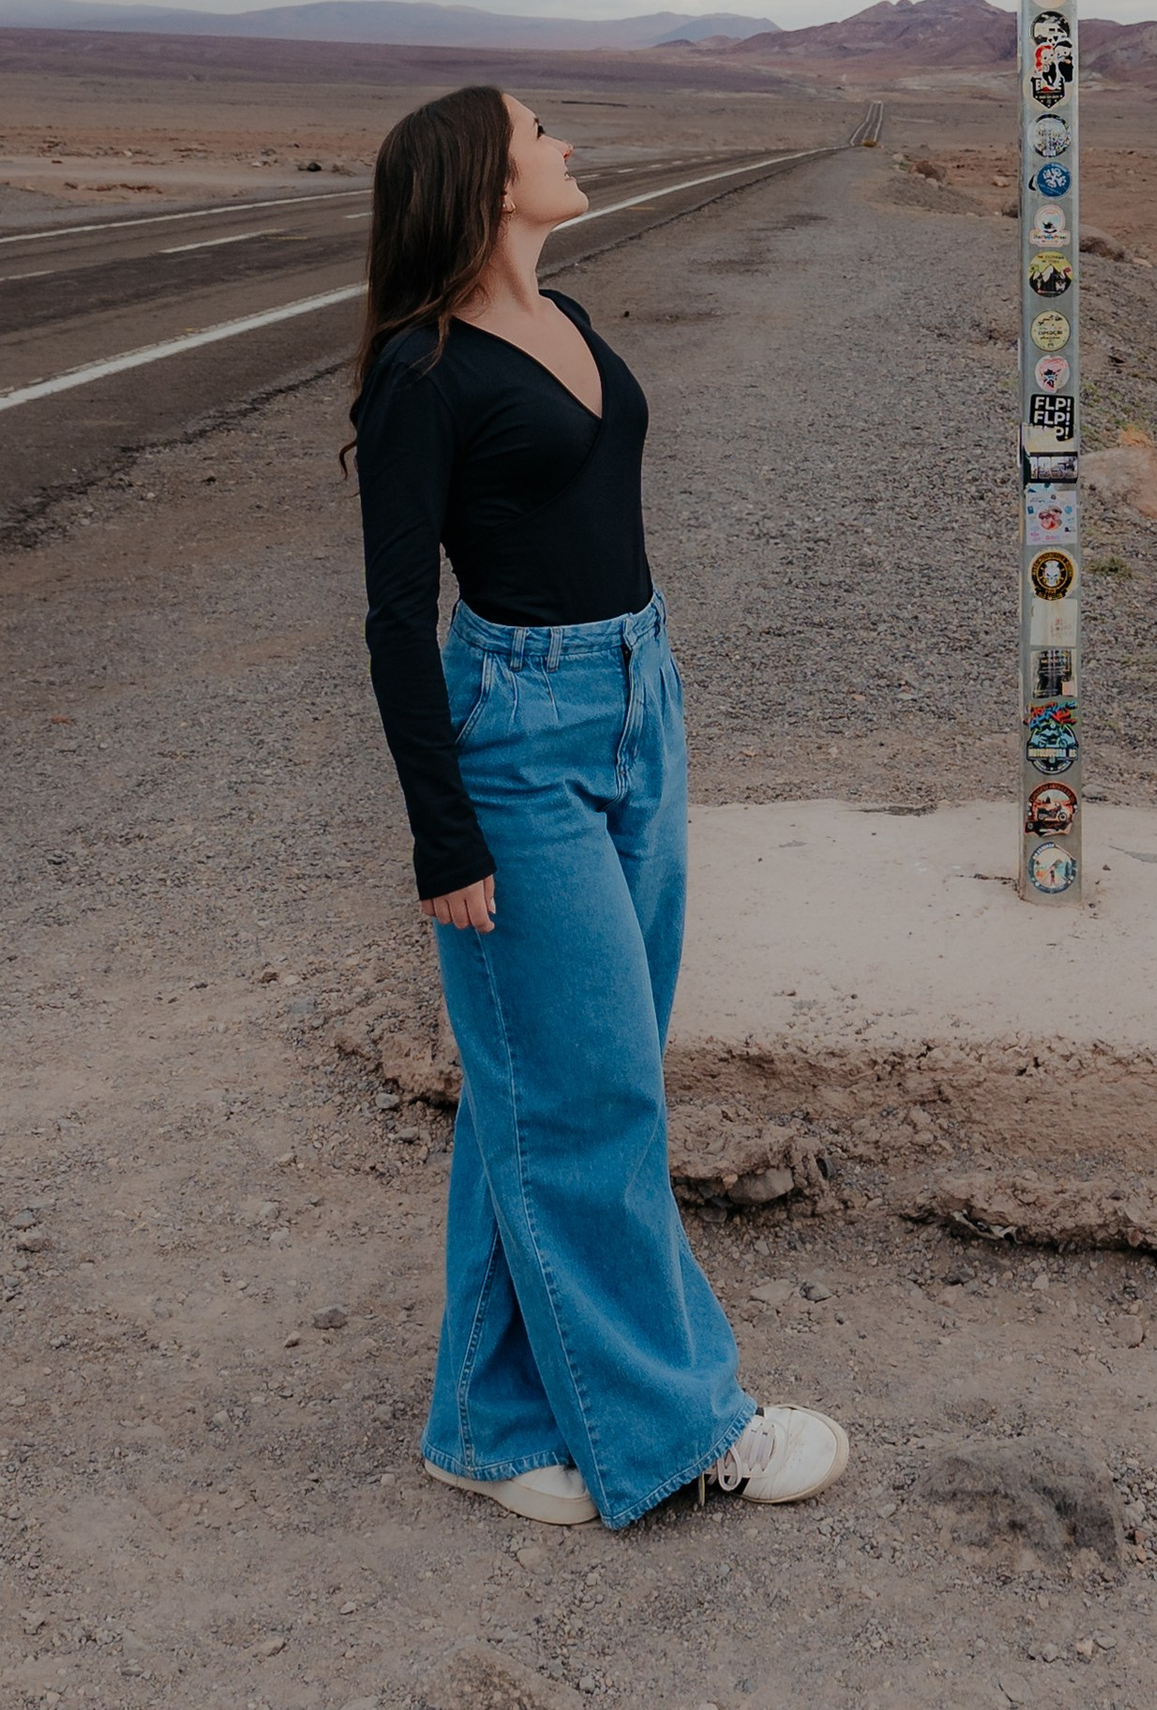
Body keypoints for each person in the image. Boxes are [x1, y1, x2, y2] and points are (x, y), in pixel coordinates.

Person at [348, 85, 846, 1530]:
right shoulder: (419, 374)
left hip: (639, 700)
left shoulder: (568, 320)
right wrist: (445, 836)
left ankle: (485, 1426)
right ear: (489, 182)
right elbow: (393, 622)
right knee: (596, 1094)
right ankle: (688, 1427)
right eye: (543, 133)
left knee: (545, 1081)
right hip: (516, 742)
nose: (568, 147)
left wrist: (646, 699)